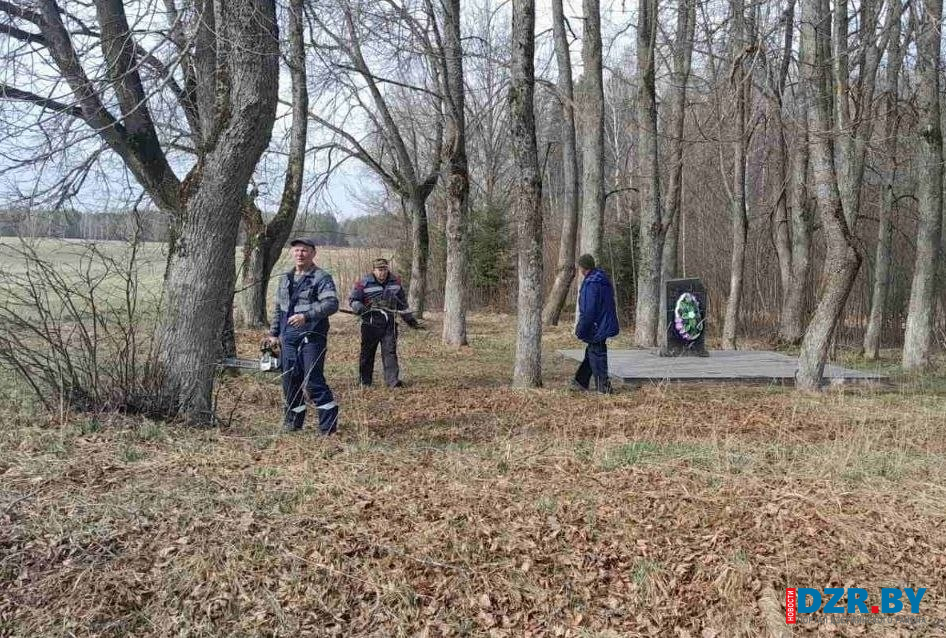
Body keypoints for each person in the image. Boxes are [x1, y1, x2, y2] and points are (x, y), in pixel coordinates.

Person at [263, 237, 340, 433]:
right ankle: (293, 423)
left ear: (313, 253)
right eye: (297, 250)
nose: (300, 254)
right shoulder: (285, 278)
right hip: (287, 338)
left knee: (313, 381)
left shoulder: (321, 278)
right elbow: (279, 309)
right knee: (290, 381)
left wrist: (306, 316)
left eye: (304, 250)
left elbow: (331, 304)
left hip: (312, 337)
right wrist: (273, 334)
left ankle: (328, 427)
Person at [349, 257, 420, 388]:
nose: (383, 272)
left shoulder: (395, 282)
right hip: (370, 323)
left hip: (389, 323)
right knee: (367, 353)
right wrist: (359, 308)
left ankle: (392, 382)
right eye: (380, 269)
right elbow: (353, 300)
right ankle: (365, 382)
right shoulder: (363, 283)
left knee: (390, 351)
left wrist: (410, 319)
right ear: (374, 270)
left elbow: (402, 303)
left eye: (385, 269)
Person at [571, 254, 620, 394]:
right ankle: (580, 381)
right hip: (603, 322)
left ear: (583, 268)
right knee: (592, 351)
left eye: (580, 266)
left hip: (596, 325)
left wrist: (581, 329)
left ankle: (603, 387)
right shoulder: (602, 279)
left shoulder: (591, 283)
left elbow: (589, 310)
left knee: (597, 353)